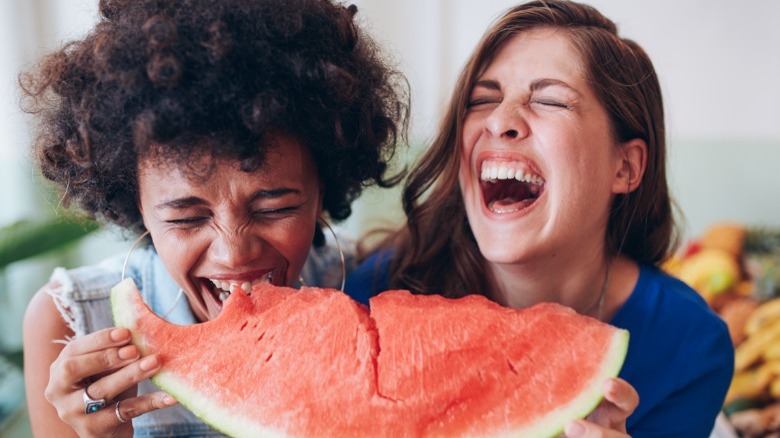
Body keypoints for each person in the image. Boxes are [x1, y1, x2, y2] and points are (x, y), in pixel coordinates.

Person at [345, 0, 734, 436]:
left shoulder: (691, 347)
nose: (500, 120)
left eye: (550, 100)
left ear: (624, 167)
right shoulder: (379, 295)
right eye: (483, 99)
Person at [20, 0, 408, 436]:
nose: (234, 251)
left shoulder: (374, 292)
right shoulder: (70, 320)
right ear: (136, 205)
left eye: (274, 209)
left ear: (323, 191)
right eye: (186, 218)